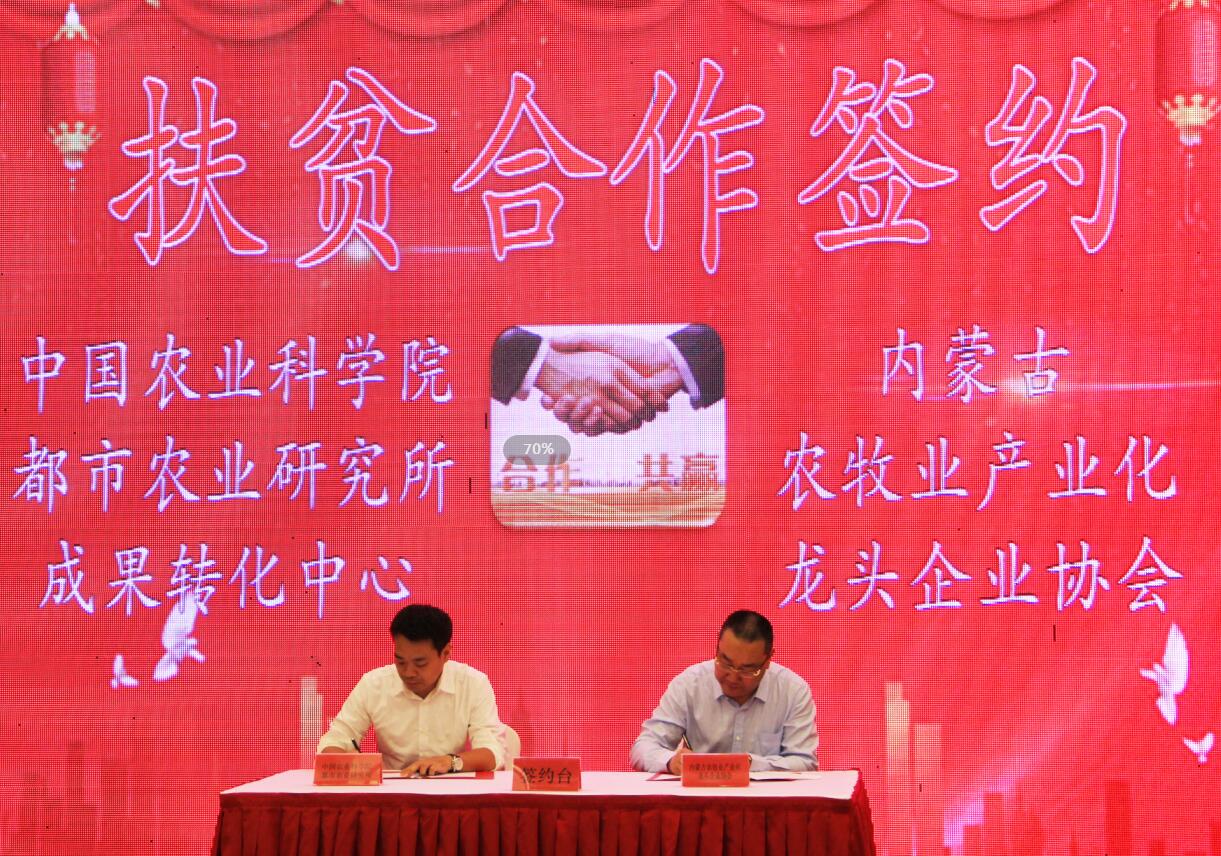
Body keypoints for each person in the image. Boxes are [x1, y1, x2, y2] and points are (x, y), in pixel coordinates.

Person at [317, 604, 505, 775]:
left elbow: (493, 753)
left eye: (420, 663)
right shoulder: (374, 684)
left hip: (451, 789)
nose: (408, 672)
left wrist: (450, 762)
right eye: (400, 661)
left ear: (446, 653)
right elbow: (335, 739)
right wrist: (345, 762)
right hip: (390, 791)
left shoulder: (473, 683)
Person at [630, 610, 817, 773]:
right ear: (717, 648)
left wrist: (751, 764)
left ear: (767, 661)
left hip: (767, 800)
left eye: (747, 670)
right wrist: (671, 761)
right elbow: (643, 748)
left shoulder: (793, 691)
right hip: (699, 798)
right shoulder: (690, 684)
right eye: (725, 663)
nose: (733, 677)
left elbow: (805, 762)